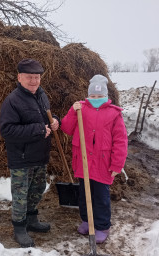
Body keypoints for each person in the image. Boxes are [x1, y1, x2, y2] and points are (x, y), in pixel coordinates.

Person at [0, 59, 60, 248]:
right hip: (22, 158)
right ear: (19, 77)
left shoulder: (42, 96)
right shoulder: (12, 101)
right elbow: (7, 131)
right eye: (29, 77)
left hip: (40, 155)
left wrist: (55, 121)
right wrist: (38, 130)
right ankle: (19, 228)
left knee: (37, 189)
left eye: (37, 77)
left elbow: (46, 118)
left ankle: (32, 220)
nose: (34, 81)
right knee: (20, 195)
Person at [60, 74, 128, 244]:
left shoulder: (114, 114)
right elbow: (67, 128)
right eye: (92, 96)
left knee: (100, 197)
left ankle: (102, 226)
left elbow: (121, 141)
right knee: (84, 194)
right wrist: (72, 111)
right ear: (88, 95)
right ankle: (87, 221)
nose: (95, 99)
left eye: (99, 96)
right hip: (83, 161)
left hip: (103, 164)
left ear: (106, 96)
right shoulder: (81, 109)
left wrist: (116, 165)